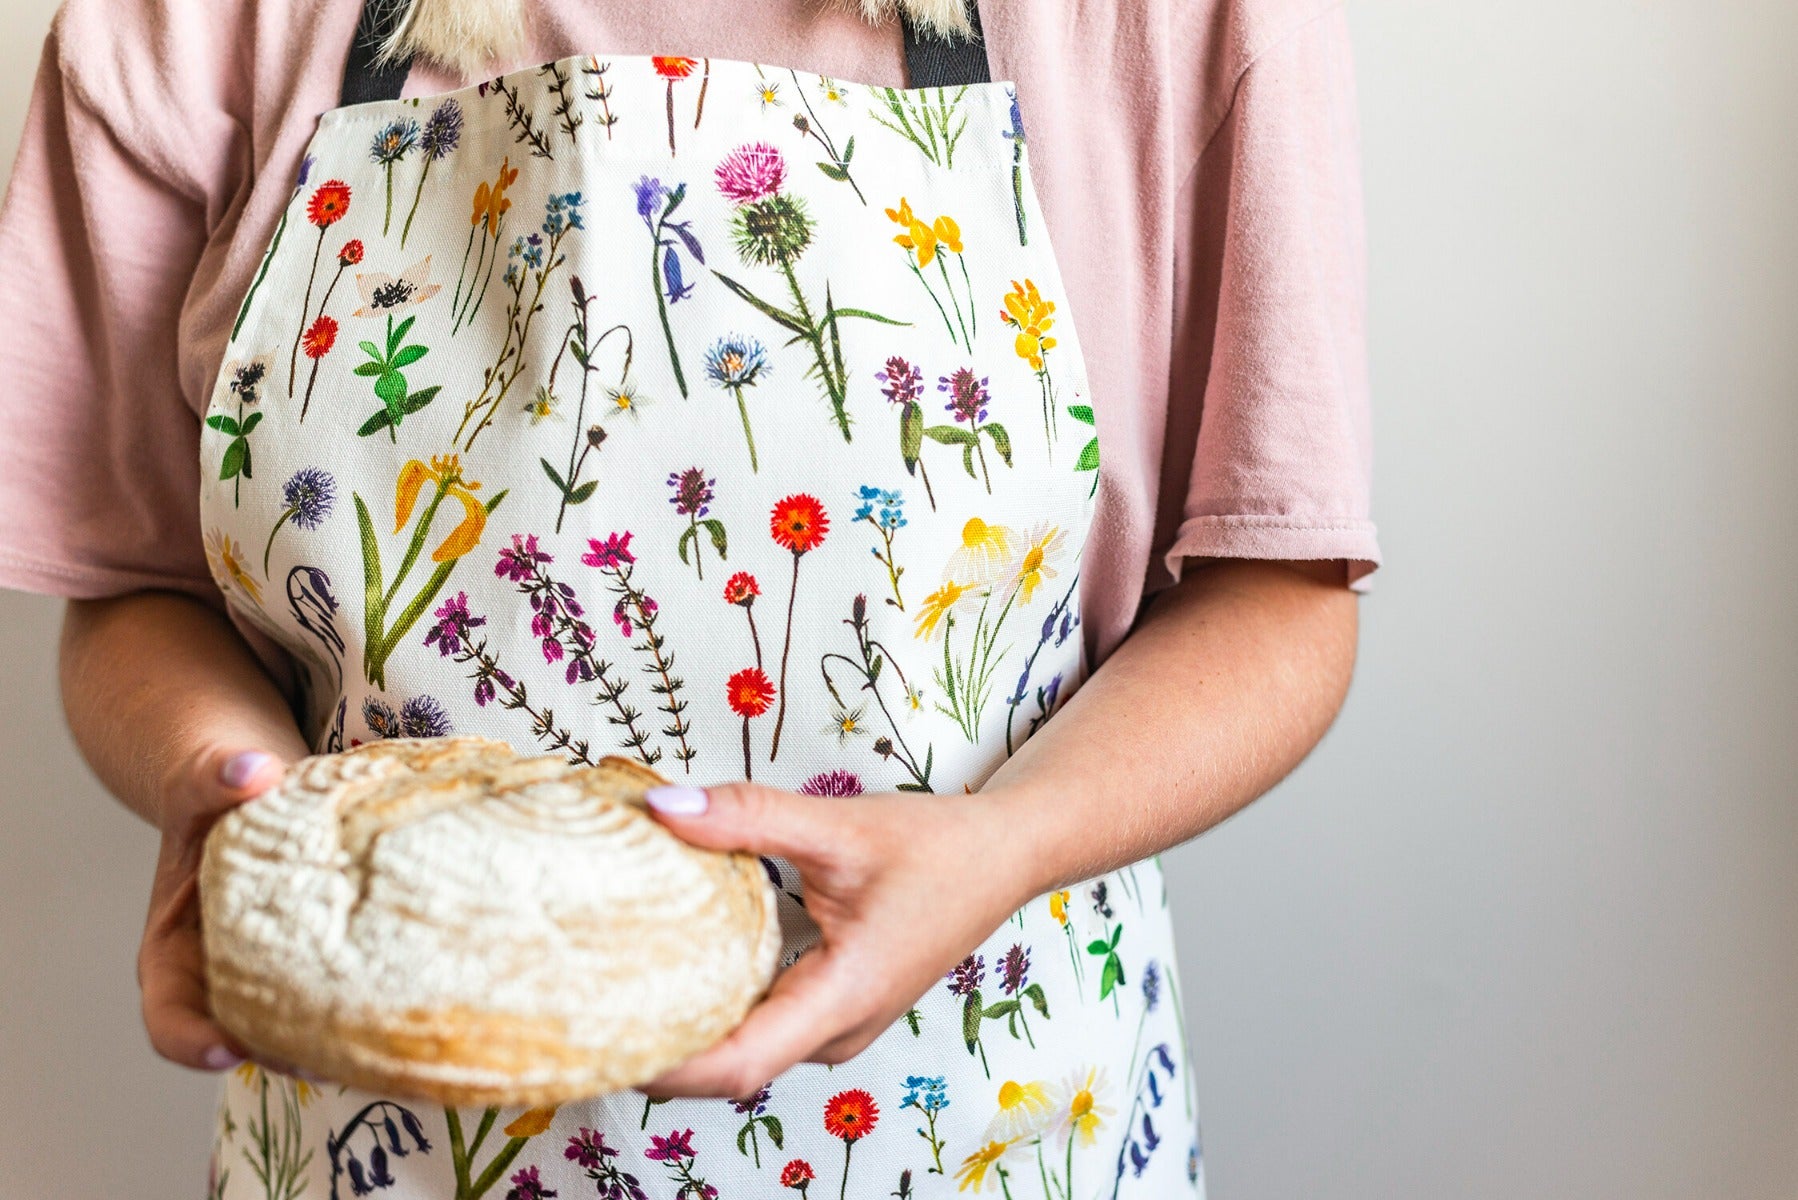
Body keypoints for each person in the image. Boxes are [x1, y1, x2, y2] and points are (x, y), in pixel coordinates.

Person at [0, 0, 1378, 1194]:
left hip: (981, 1119)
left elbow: (1277, 591)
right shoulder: (184, 28)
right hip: (385, 1139)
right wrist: (222, 785)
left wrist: (1009, 843)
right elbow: (132, 590)